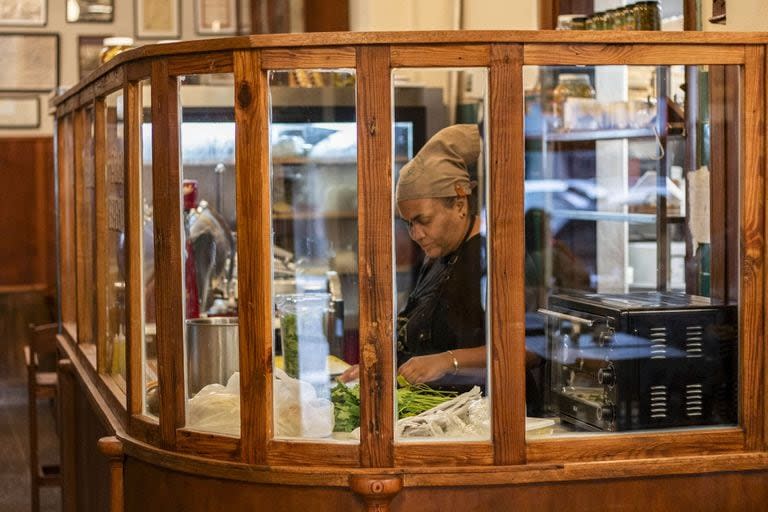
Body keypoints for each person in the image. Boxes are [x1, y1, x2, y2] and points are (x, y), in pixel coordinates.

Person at [340, 123, 487, 387]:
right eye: (409, 223)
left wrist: (447, 361)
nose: (415, 234)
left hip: (484, 414)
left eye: (423, 220)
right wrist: (379, 370)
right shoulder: (437, 257)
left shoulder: (493, 257)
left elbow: (530, 348)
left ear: (460, 205)